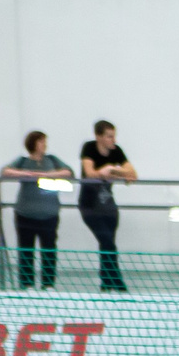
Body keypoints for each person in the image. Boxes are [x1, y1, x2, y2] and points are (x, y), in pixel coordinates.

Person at [0, 131, 73, 288]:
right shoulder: (22, 161)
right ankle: (27, 284)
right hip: (25, 214)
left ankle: (48, 284)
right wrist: (27, 174)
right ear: (33, 143)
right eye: (41, 141)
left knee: (49, 250)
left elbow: (68, 172)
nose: (44, 145)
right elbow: (5, 171)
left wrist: (47, 174)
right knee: (26, 250)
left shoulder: (52, 160)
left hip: (49, 215)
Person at [76, 121, 135, 292]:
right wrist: (109, 171)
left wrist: (111, 170)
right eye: (109, 136)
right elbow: (90, 173)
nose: (113, 140)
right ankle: (117, 282)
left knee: (108, 243)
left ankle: (106, 283)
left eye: (113, 136)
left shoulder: (116, 151)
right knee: (107, 241)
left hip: (108, 207)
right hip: (89, 206)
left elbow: (132, 173)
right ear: (98, 137)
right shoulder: (89, 148)